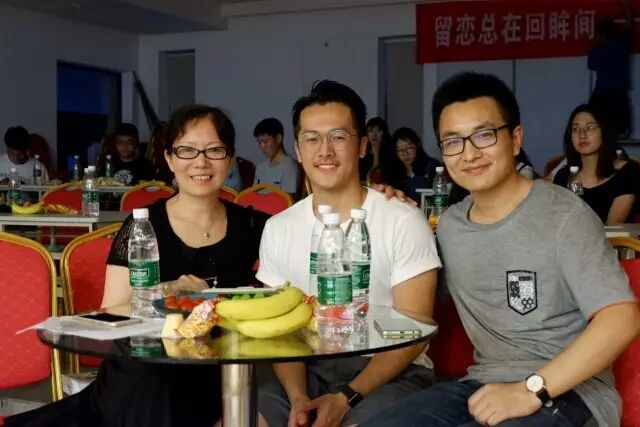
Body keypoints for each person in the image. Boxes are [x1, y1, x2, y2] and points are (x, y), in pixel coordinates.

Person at [363, 72, 640, 427]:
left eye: (484, 135)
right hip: (481, 385)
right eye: (453, 141)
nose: (469, 154)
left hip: (571, 392)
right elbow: (410, 290)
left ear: (515, 138)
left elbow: (621, 318)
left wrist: (529, 390)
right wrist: (392, 212)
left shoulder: (564, 215)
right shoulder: (450, 226)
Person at [4, 105, 269, 427]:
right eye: (186, 150)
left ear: (230, 158)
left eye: (214, 150)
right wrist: (167, 291)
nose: (200, 162)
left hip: (221, 375)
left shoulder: (255, 226)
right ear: (169, 159)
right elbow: (111, 310)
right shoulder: (142, 225)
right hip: (144, 374)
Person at [256, 80, 441, 427]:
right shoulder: (279, 227)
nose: (325, 151)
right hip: (306, 368)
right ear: (298, 149)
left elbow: (414, 334)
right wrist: (298, 398)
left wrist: (347, 398)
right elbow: (279, 332)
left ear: (362, 146)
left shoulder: (402, 220)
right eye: (312, 139)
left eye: (338, 137)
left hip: (390, 370)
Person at [553, 103, 640, 224]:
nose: (582, 135)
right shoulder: (563, 176)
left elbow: (612, 227)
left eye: (590, 127)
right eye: (576, 129)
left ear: (604, 131)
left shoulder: (627, 173)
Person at [588, 0, 633, 137]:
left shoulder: (598, 51)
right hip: (618, 97)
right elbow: (630, 24)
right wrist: (625, 6)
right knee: (620, 131)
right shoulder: (622, 44)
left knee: (597, 130)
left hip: (602, 98)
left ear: (601, 35)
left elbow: (590, 65)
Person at [389, 127, 441, 203]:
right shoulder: (394, 172)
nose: (405, 153)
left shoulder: (432, 166)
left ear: (418, 145)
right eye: (399, 150)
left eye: (409, 148)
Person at [254, 117, 301, 196]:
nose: (262, 147)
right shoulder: (260, 168)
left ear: (279, 138)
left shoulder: (290, 167)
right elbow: (252, 195)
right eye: (259, 143)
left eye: (265, 142)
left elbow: (288, 199)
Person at [359, 117, 392, 184]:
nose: (374, 134)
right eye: (370, 131)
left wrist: (376, 153)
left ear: (384, 133)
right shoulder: (362, 152)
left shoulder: (391, 152)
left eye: (379, 131)